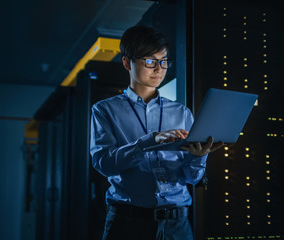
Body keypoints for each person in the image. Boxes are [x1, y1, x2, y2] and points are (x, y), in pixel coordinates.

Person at [90, 25, 223, 240]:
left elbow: (191, 178)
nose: (159, 69)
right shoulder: (105, 110)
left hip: (177, 225)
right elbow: (103, 164)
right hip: (129, 224)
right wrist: (147, 143)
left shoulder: (181, 112)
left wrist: (199, 157)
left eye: (164, 61)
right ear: (126, 62)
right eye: (150, 61)